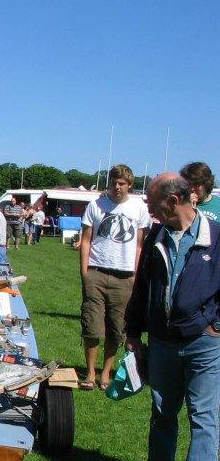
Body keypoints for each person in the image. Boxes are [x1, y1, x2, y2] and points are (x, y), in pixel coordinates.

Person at [125, 173, 220, 461]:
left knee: (203, 416)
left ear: (173, 201)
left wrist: (215, 327)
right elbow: (142, 287)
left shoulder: (215, 237)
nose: (148, 209)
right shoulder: (156, 236)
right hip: (162, 341)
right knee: (163, 410)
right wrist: (133, 332)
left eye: (152, 203)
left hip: (203, 342)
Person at [79, 165, 150, 391]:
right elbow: (86, 240)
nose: (117, 187)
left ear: (129, 185)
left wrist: (136, 276)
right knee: (91, 325)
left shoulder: (139, 208)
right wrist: (85, 272)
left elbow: (140, 245)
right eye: (114, 182)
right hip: (97, 272)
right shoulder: (96, 205)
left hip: (124, 276)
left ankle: (106, 372)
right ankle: (90, 372)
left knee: (116, 328)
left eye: (122, 183)